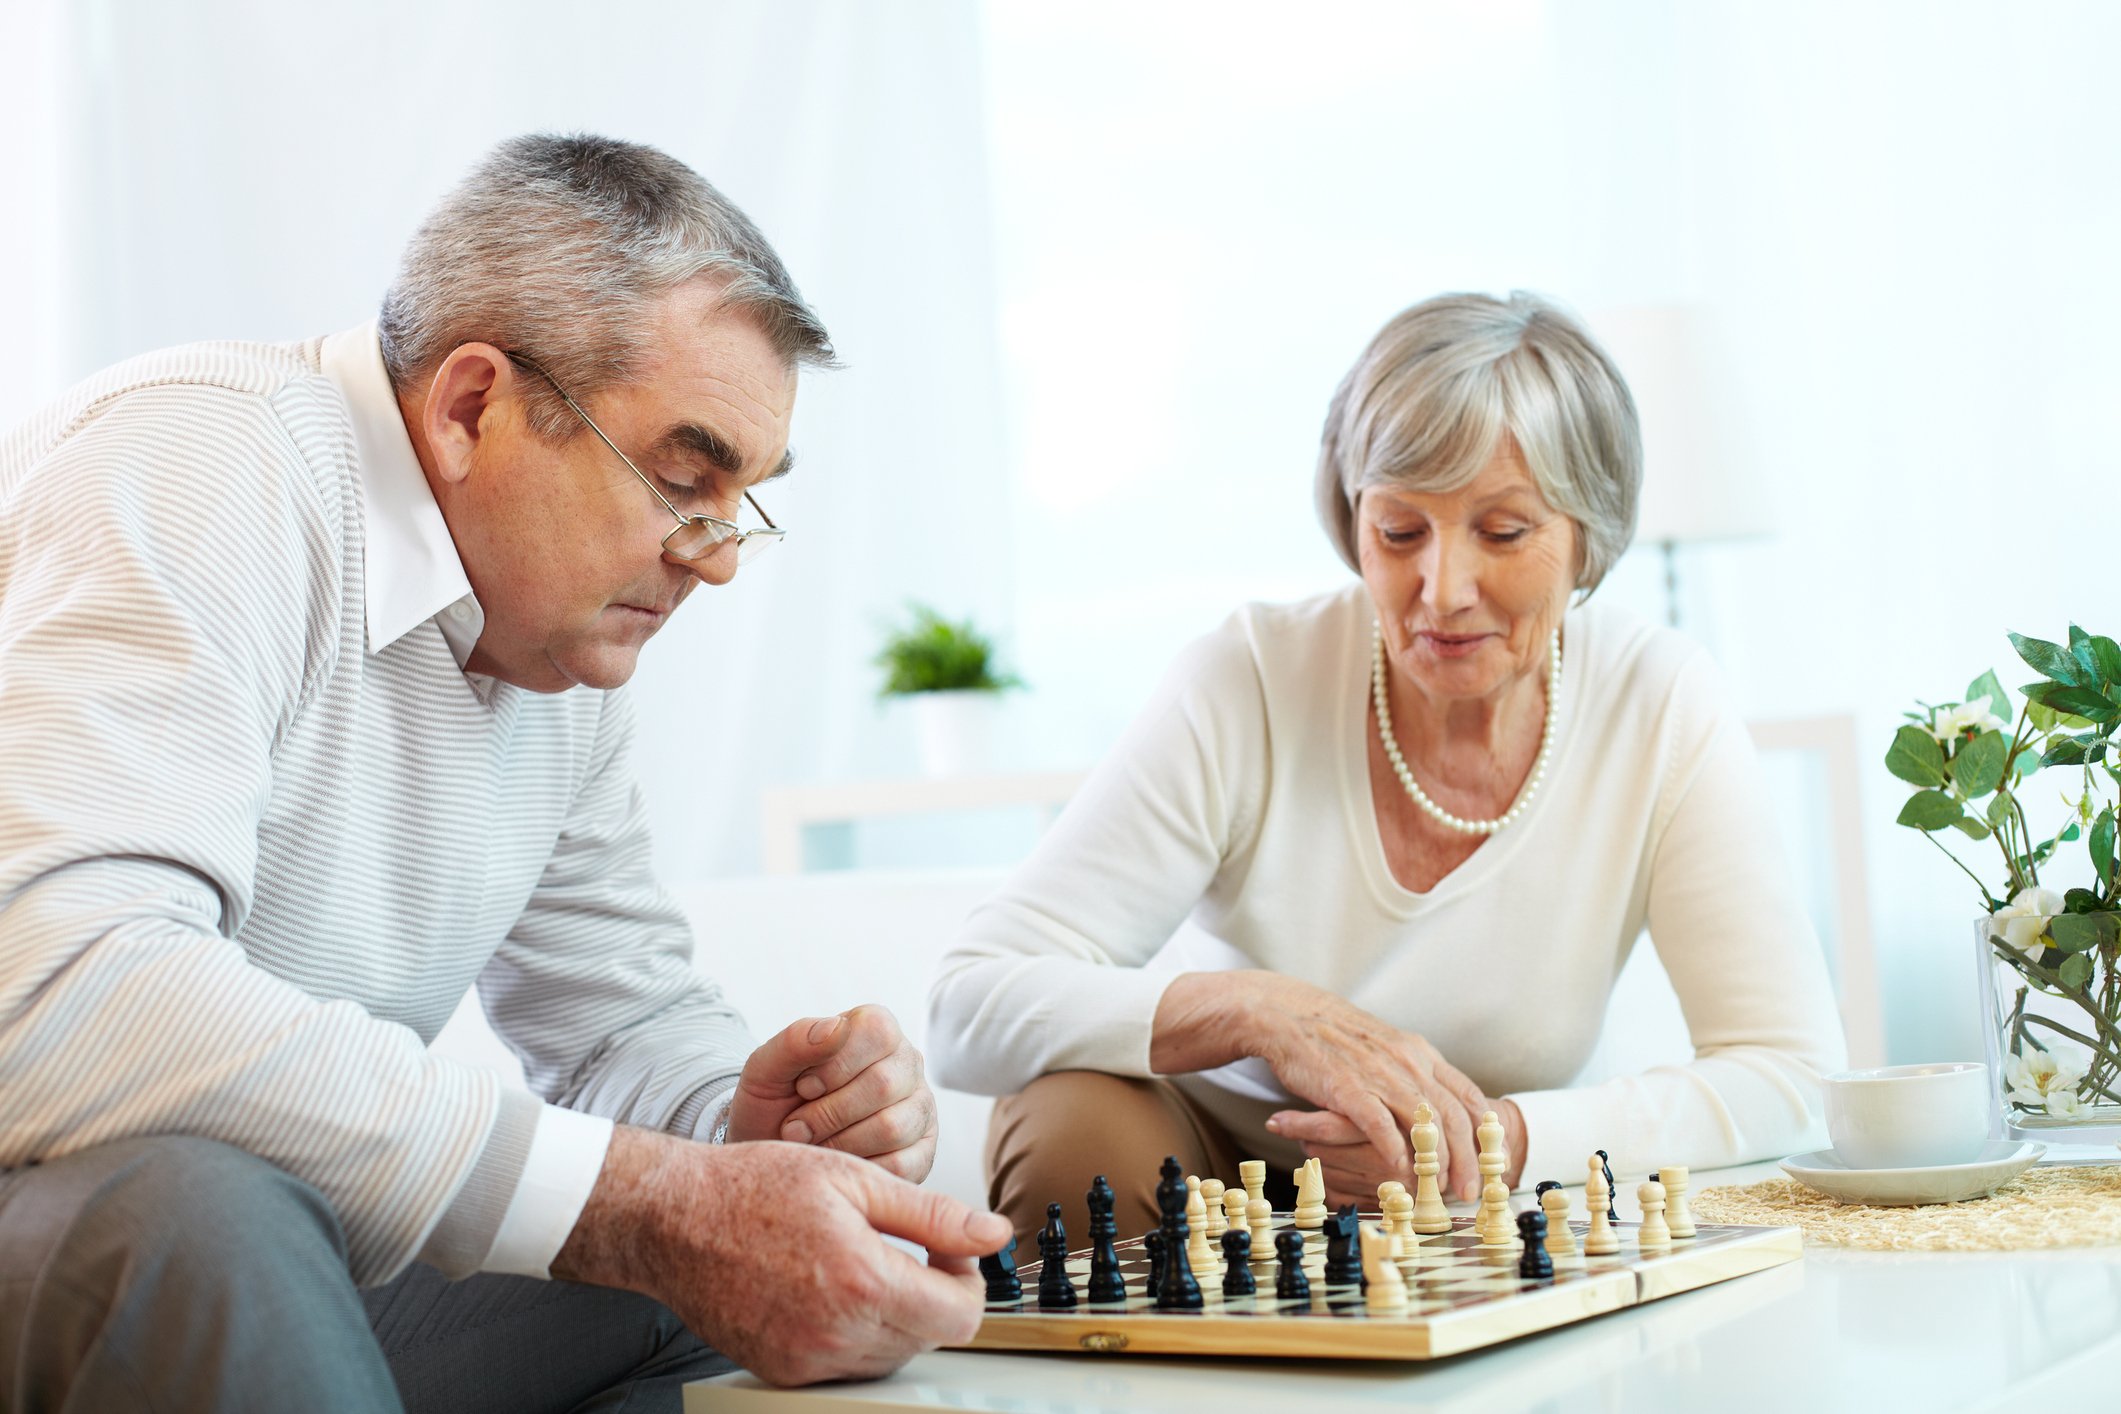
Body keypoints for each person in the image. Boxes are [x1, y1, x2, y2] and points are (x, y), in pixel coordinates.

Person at [0, 133, 1009, 1410]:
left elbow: (616, 1026)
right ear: (472, 405)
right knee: (203, 1211)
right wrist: (652, 1203)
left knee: (741, 1288)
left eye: (739, 502)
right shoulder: (200, 470)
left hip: (276, 1240)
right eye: (686, 480)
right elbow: (60, 987)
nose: (717, 560)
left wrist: (749, 1137)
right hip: (97, 1211)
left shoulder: (544, 648)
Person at [929, 292, 1848, 1242]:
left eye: (1502, 531)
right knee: (1077, 1126)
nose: (1442, 592)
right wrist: (1258, 1009)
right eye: (1400, 532)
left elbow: (1791, 1073)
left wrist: (1494, 1139)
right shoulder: (1247, 676)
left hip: (1465, 1194)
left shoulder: (1657, 700)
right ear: (1350, 521)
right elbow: (966, 1003)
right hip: (1201, 1163)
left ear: (1588, 533)